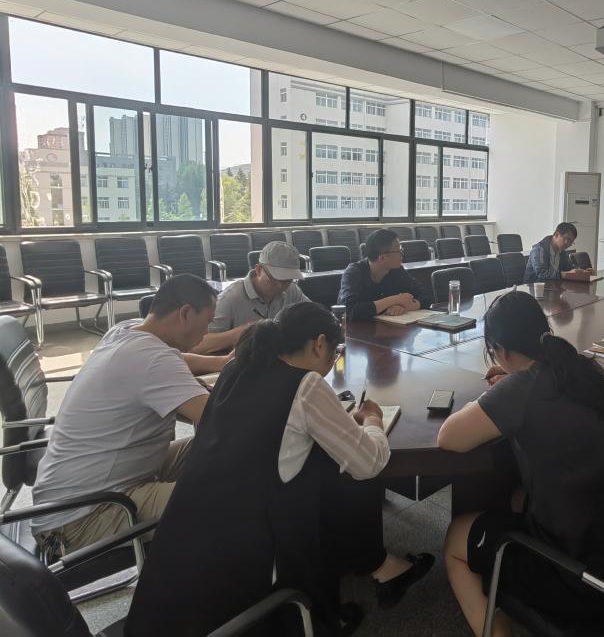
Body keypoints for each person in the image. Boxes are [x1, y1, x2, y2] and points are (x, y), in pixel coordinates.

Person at [125, 302, 433, 637]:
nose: (332, 362)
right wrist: (373, 420)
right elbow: (368, 463)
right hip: (252, 549)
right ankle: (343, 587)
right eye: (334, 353)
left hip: (185, 538)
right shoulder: (306, 385)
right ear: (319, 344)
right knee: (336, 473)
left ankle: (366, 563)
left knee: (319, 464)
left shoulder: (236, 369)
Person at [437, 291, 604, 637]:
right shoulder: (585, 368)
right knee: (516, 496)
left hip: (584, 578)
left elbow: (449, 437)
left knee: (454, 541)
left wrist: (494, 395)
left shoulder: (523, 388)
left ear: (499, 350)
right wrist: (512, 382)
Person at [31, 275, 226, 556]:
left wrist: (224, 362)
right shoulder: (152, 358)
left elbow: (179, 365)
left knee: (211, 447)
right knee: (230, 492)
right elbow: (224, 420)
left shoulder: (125, 332)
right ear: (185, 314)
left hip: (80, 495)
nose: (206, 333)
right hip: (81, 519)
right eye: (207, 321)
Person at [192, 240, 309, 354]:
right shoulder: (230, 298)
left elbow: (312, 316)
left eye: (288, 280)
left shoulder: (291, 289)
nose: (281, 286)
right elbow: (197, 345)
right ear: (258, 270)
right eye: (274, 279)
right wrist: (240, 333)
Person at [337, 229, 434, 320]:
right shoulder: (353, 273)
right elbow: (350, 310)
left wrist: (406, 306)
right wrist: (395, 300)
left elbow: (426, 294)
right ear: (383, 258)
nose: (402, 253)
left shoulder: (397, 270)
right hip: (356, 330)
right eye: (399, 251)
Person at [524, 222, 594, 282]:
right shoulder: (539, 249)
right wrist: (564, 274)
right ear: (557, 234)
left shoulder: (561, 251)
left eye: (571, 242)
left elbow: (569, 267)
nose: (568, 244)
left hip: (551, 286)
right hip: (533, 288)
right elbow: (541, 274)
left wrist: (582, 271)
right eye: (567, 239)